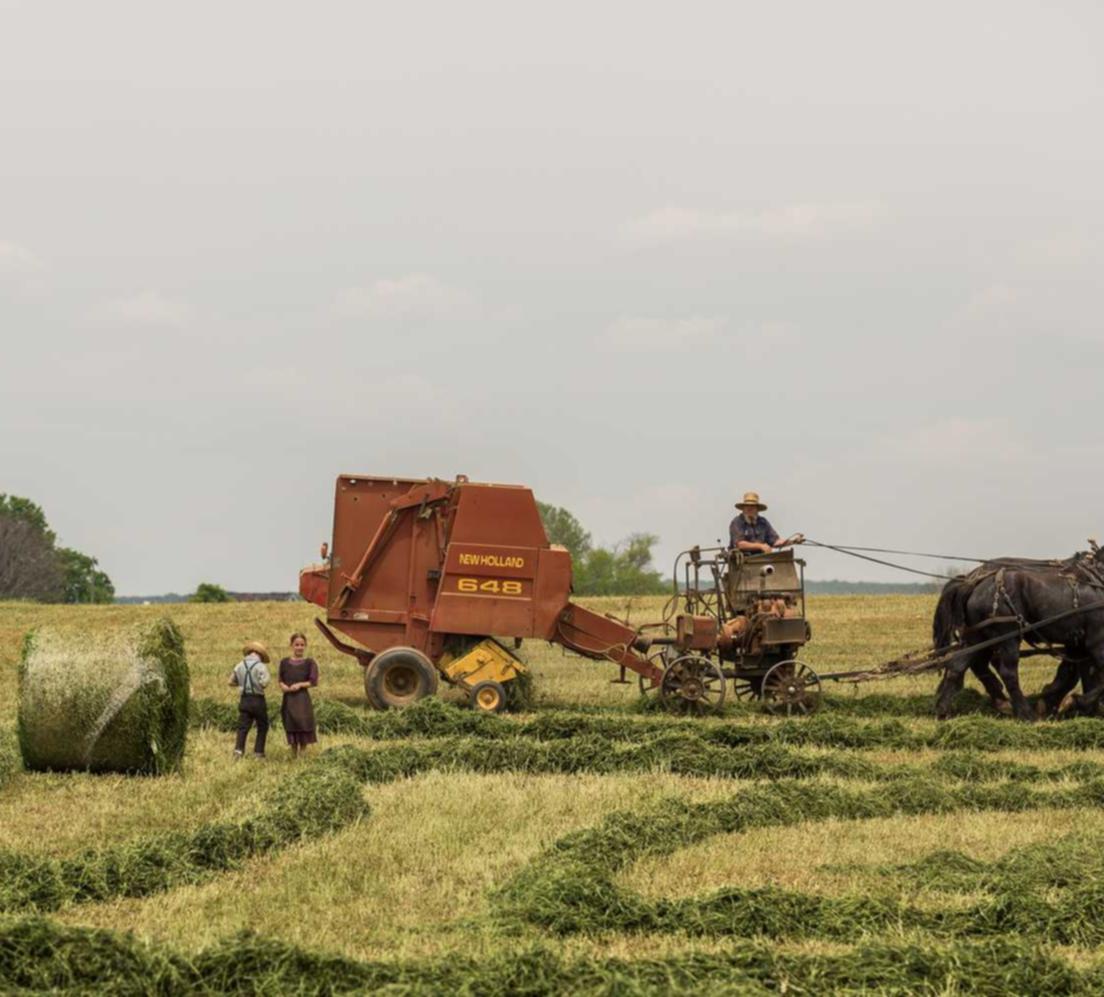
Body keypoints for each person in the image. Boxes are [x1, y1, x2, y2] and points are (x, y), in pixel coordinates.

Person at [229, 640, 270, 760]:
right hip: (258, 699)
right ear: (259, 654)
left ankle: (238, 751)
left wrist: (241, 684)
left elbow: (231, 681)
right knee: (262, 726)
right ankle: (258, 753)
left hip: (244, 699)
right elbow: (264, 683)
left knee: (243, 726)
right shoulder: (261, 666)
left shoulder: (239, 665)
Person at [279, 632, 319, 756]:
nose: (299, 647)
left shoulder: (310, 663)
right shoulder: (284, 662)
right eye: (297, 645)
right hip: (289, 698)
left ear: (305, 646)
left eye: (302, 645)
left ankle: (302, 752)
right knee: (291, 723)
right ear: (291, 646)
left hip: (302, 699)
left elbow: (313, 682)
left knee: (303, 723)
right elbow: (280, 679)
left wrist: (300, 685)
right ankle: (293, 751)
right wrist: (283, 687)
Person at [729, 491, 804, 554]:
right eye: (747, 506)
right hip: (742, 563)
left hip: (763, 560)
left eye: (753, 506)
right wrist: (761, 546)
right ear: (743, 508)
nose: (749, 508)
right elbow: (740, 544)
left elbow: (775, 541)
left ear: (757, 509)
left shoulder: (763, 522)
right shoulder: (737, 522)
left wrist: (793, 541)